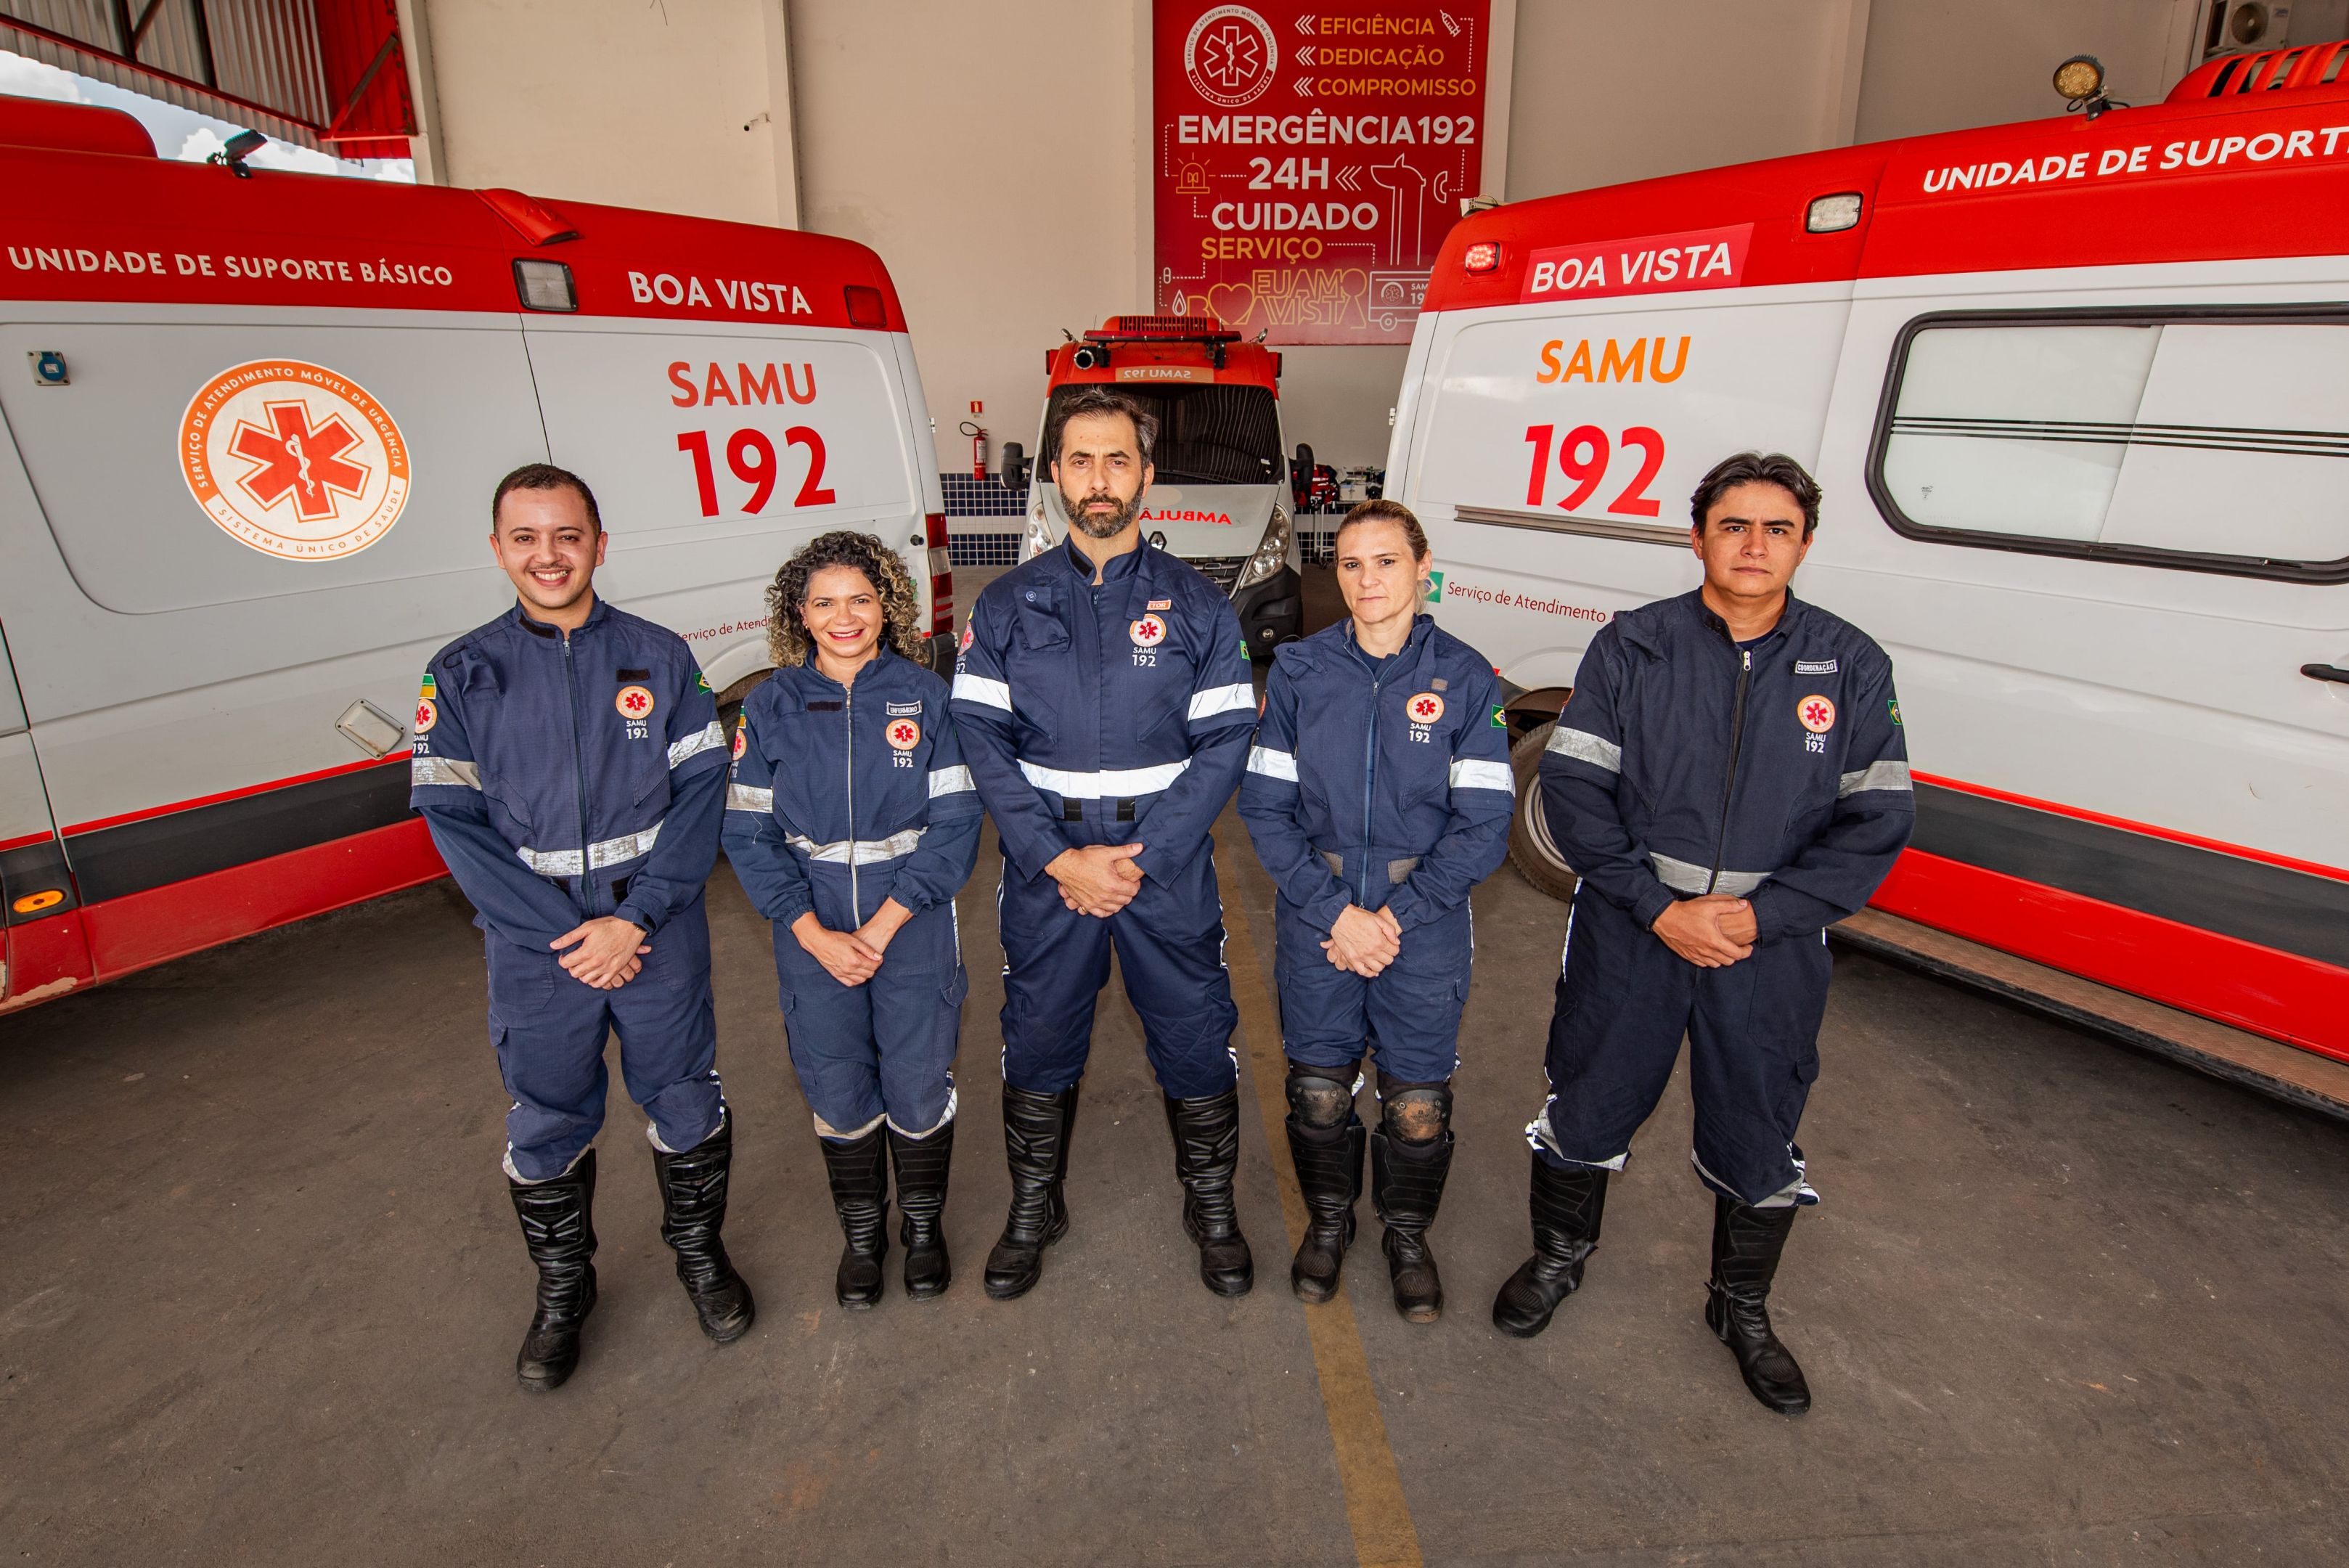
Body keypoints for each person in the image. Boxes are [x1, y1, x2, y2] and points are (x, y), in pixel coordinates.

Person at [1490, 452, 1913, 1416]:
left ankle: (1742, 1308)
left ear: (1805, 544)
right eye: (1734, 525)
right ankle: (1558, 1261)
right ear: (1698, 538)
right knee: (1589, 1098)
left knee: (1758, 1123)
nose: (1754, 545)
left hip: (1767, 946)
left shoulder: (1850, 664)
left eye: (1777, 528)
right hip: (1634, 928)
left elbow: (1877, 821)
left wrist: (1765, 915)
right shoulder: (1633, 648)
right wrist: (1658, 906)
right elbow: (1576, 790)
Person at [409, 462, 752, 1394]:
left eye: (567, 535)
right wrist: (569, 934)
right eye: (526, 537)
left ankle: (700, 1260)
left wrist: (635, 917)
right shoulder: (462, 671)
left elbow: (699, 794)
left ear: (600, 543)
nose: (548, 555)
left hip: (656, 928)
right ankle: (564, 1292)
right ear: (497, 550)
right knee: (549, 1116)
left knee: (684, 1096)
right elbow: (453, 825)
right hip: (538, 948)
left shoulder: (659, 654)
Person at [950, 387, 1259, 1300]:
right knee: (1038, 1040)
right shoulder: (1004, 607)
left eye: (1117, 459)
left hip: (1158, 872)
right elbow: (979, 741)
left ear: (1147, 476)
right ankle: (1035, 1206)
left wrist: (1143, 860)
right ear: (1053, 476)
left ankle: (1210, 1206)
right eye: (1080, 460)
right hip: (1050, 872)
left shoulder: (1201, 607)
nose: (1098, 478)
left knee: (1196, 1036)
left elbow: (1225, 744)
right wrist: (1053, 857)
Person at [1238, 499, 1513, 1322]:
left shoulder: (1467, 677)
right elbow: (1262, 808)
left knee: (1415, 1103)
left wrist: (1395, 916)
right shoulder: (1297, 672)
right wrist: (1335, 912)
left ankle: (1405, 1235)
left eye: (1386, 561)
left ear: (1422, 567)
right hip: (1316, 916)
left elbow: (1486, 823)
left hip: (1418, 925)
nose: (1367, 580)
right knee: (1318, 1091)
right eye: (1351, 564)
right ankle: (1328, 1223)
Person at [722, 531, 981, 1308]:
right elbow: (747, 831)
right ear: (798, 614)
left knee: (915, 1076)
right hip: (811, 918)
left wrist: (884, 924)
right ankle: (863, 1237)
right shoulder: (768, 705)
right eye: (825, 602)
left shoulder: (927, 697)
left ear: (886, 607)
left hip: (912, 917)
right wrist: (809, 931)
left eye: (860, 600)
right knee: (834, 1081)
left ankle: (924, 1229)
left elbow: (958, 822)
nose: (844, 617)